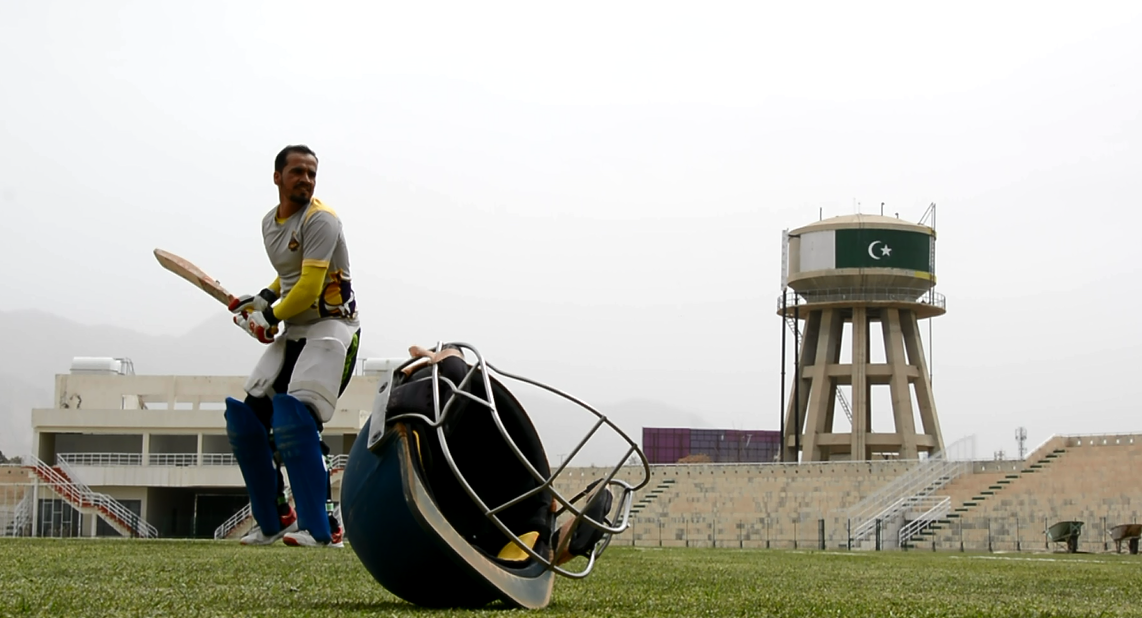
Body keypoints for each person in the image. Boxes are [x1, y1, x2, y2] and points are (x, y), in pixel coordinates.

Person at [223, 144, 361, 548]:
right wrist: (264, 301)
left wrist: (271, 316)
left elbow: (310, 286)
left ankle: (325, 528)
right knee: (247, 422)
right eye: (297, 171)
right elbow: (287, 276)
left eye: (311, 173)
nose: (305, 179)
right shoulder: (271, 223)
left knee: (295, 422)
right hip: (297, 331)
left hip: (333, 329)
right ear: (277, 177)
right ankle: (274, 518)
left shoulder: (322, 221)